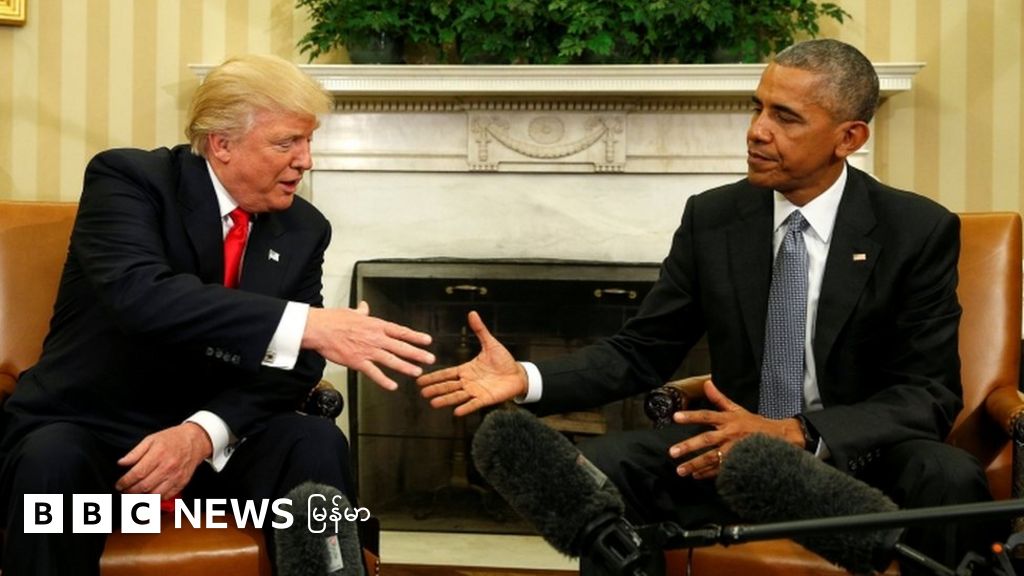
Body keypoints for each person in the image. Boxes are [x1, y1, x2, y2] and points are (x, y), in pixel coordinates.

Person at [417, 39, 995, 572]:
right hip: (729, 454)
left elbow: (927, 394)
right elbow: (642, 350)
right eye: (757, 108)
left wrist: (799, 431)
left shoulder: (914, 229)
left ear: (849, 138)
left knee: (949, 476)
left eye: (785, 117)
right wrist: (528, 378)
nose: (757, 131)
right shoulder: (714, 218)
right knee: (607, 470)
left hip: (857, 457)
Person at [0, 54, 435, 575]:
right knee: (51, 459)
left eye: (308, 141)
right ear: (222, 143)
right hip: (98, 436)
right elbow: (142, 297)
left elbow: (296, 367)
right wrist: (306, 324)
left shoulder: (304, 228)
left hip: (215, 450)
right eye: (287, 143)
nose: (306, 161)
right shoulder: (130, 180)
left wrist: (202, 434)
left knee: (315, 441)